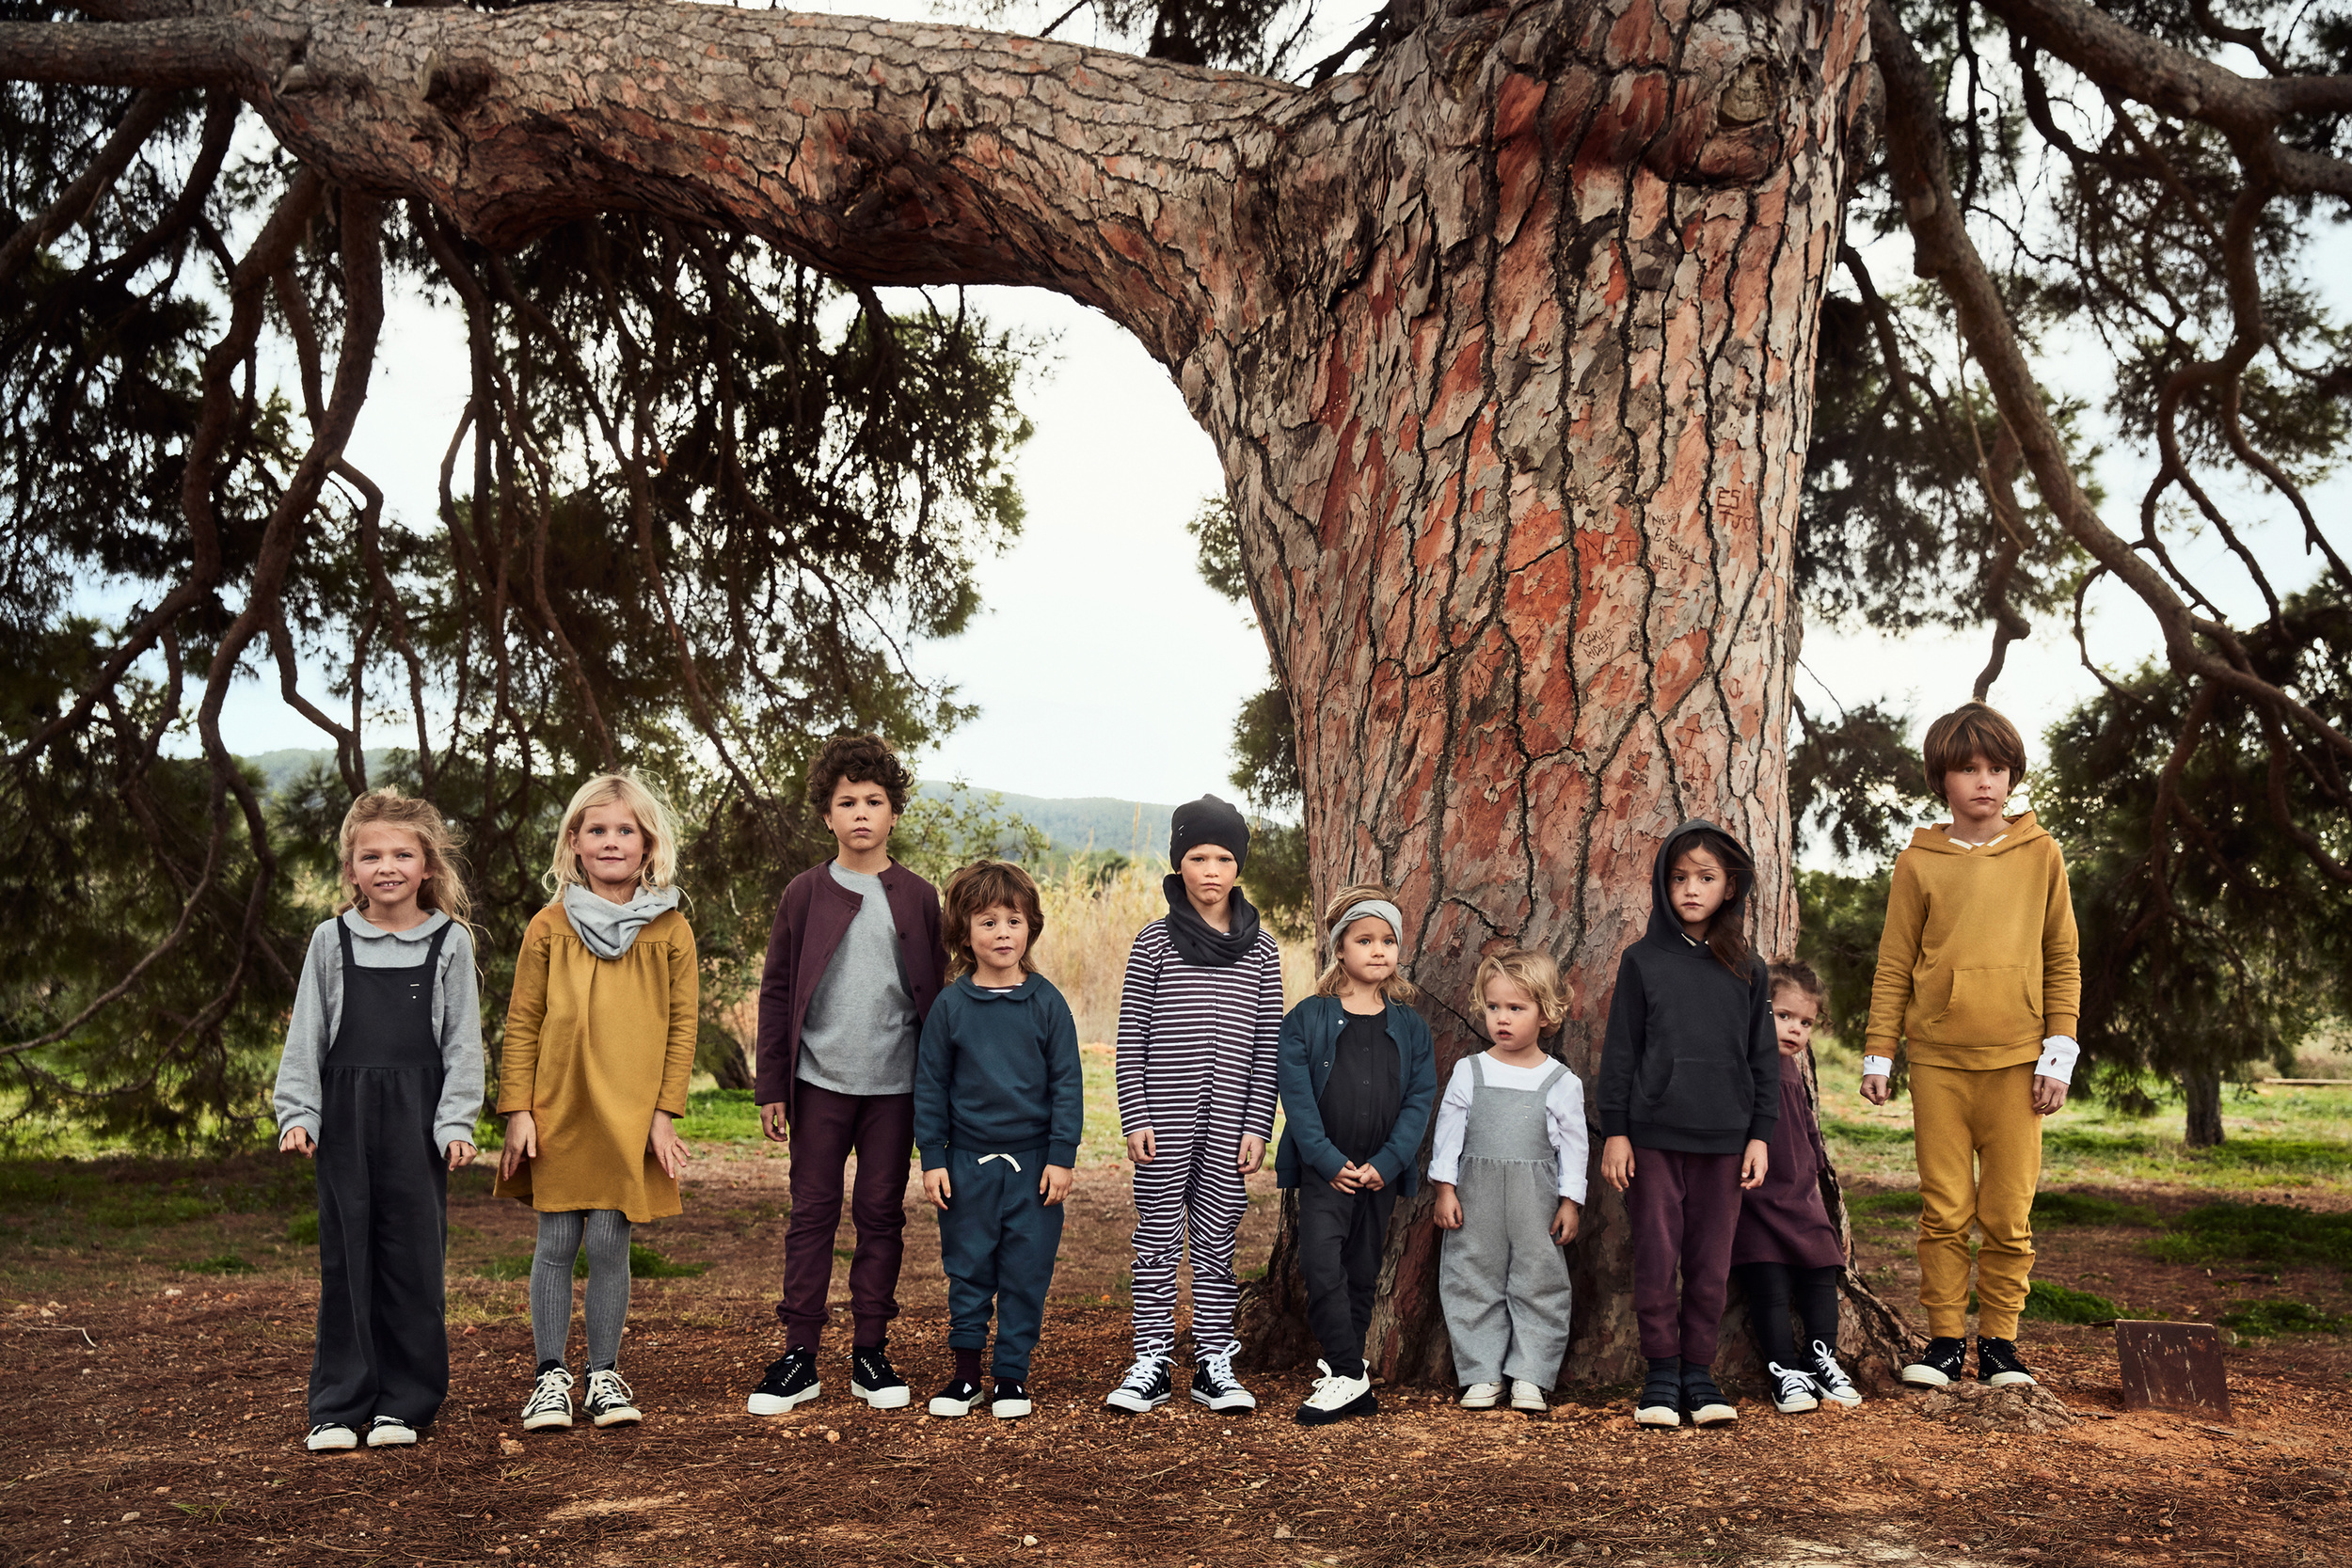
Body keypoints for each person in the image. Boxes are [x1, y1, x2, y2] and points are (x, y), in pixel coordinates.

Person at [1862, 701, 2079, 1390]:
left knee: (2009, 1214)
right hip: (1938, 1063)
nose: (1984, 781)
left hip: (2020, 1064)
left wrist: (2060, 1049)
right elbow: (1895, 961)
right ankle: (1947, 1341)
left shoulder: (2041, 853)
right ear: (1942, 780)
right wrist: (1879, 1050)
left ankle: (2003, 1346)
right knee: (1945, 1209)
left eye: (1997, 767)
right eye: (1968, 768)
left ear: (2012, 774)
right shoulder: (1918, 862)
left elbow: (2062, 955)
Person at [275, 788, 483, 1453]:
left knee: (412, 1260)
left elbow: (461, 1044)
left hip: (417, 1123)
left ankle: (406, 1400)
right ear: (351, 867)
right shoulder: (330, 941)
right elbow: (306, 1035)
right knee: (347, 1258)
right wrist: (298, 1112)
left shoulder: (449, 942)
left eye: (401, 853)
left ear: (427, 865)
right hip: (345, 1118)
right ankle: (339, 1402)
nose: (386, 865)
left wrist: (456, 1123)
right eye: (371, 854)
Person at [746, 734, 947, 1416]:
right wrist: (772, 1083)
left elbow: (937, 1003)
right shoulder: (804, 893)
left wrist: (940, 1098)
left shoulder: (919, 899)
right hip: (818, 1083)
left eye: (874, 801)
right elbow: (777, 992)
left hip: (895, 1090)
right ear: (826, 815)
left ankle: (870, 1350)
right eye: (846, 802)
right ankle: (799, 1353)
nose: (861, 813)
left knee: (880, 1216)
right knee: (812, 1214)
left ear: (894, 814)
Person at [497, 770, 698, 1433]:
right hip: (558, 1106)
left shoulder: (670, 930)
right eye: (597, 830)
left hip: (631, 1113)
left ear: (647, 844)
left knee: (611, 1239)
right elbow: (522, 1021)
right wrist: (518, 1109)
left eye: (625, 831)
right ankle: (549, 1375)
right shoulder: (548, 926)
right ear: (575, 842)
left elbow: (681, 1028)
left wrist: (664, 1114)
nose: (611, 842)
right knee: (556, 1236)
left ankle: (604, 1374)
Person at [1104, 795, 1284, 1416]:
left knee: (1215, 1241)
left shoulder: (1262, 953)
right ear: (1179, 863)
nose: (1211, 869)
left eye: (1224, 856)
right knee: (1156, 1239)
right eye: (1198, 856)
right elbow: (1130, 1040)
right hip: (1164, 1122)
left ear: (1239, 866)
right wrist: (1137, 1116)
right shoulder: (1153, 943)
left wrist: (1258, 1125)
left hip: (1231, 1125)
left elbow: (1267, 1049)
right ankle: (1150, 1358)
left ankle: (1214, 1361)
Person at [1597, 819, 1778, 1430]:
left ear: (1731, 886)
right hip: (1652, 1138)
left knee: (1710, 1262)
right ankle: (1660, 1375)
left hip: (1726, 1143)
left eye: (1706, 877)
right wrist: (1617, 1130)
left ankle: (1699, 1373)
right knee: (1655, 1255)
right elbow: (1620, 1051)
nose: (1691, 889)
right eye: (1679, 878)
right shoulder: (1642, 961)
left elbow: (1763, 1058)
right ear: (1662, 885)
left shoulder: (1748, 967)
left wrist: (1760, 1133)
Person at [914, 861, 1084, 1420]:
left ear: (1030, 927)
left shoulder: (1047, 1004)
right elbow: (931, 1086)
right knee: (967, 1268)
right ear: (964, 931)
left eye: (1013, 920)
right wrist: (932, 1159)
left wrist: (1062, 1158)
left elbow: (1067, 1084)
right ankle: (965, 1377)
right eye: (988, 921)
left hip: (1034, 1167)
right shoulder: (950, 1007)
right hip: (965, 1164)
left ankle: (1011, 1376)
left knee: (1025, 1270)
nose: (1002, 933)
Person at [1274, 885, 1437, 1427]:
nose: (1377, 950)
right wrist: (1324, 1158)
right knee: (1322, 1266)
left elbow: (1419, 1098)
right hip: (1329, 1173)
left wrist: (1388, 1162)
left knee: (1363, 1270)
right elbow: (1295, 1097)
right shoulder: (1307, 1018)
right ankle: (1347, 1371)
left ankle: (1348, 1378)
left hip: (1379, 1174)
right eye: (1364, 939)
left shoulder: (1410, 1026)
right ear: (1339, 949)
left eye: (1387, 940)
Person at [1430, 948, 1587, 1416]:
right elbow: (1448, 1133)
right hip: (1473, 1194)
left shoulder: (1559, 1080)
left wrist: (1570, 1201)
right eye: (1494, 1007)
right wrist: (1444, 1188)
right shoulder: (1471, 1070)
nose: (1502, 1019)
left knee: (1539, 1281)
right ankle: (1480, 1372)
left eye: (1516, 1008)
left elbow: (1576, 1147)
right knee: (1469, 1277)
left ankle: (1532, 1374)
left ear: (1545, 1013)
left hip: (1535, 1199)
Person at [1734, 959, 1863, 1415]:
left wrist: (1813, 1171)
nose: (1794, 1030)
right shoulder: (1744, 1063)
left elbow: (1808, 1129)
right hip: (1756, 1195)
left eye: (1805, 1022)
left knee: (1820, 1270)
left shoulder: (1794, 1070)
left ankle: (1821, 1358)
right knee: (1768, 1282)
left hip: (1800, 1194)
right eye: (1783, 1016)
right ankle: (1784, 1370)